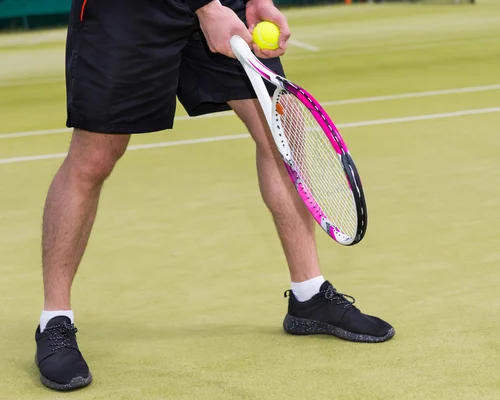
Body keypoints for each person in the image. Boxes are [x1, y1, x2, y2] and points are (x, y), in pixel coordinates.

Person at [34, 0, 395, 391]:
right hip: (129, 11)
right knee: (95, 156)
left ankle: (309, 296)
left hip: (217, 3)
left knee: (281, 127)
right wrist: (206, 7)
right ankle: (54, 321)